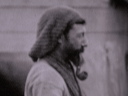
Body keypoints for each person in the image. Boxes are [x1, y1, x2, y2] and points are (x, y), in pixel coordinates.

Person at [25, 6, 88, 96]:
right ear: (59, 37)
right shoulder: (47, 77)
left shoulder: (62, 69)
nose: (86, 42)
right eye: (79, 36)